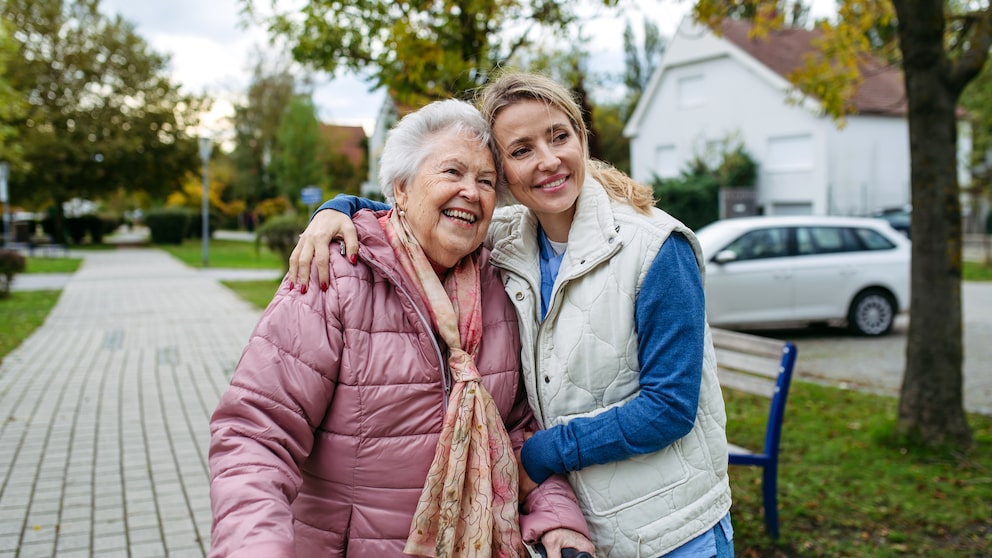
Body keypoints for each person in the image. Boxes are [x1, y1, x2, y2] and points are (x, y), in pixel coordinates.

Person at [288, 72, 734, 558]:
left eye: (559, 137)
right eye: (521, 150)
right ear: (503, 175)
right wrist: (336, 209)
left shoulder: (655, 248)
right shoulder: (506, 236)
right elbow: (417, 203)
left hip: (669, 531)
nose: (548, 161)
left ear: (580, 139)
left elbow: (670, 406)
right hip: (573, 528)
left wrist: (543, 453)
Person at [208, 98, 593, 558]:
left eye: (486, 181)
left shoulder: (502, 285)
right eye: (452, 172)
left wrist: (559, 522)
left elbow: (516, 427)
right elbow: (255, 435)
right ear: (402, 190)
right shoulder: (336, 276)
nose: (471, 191)